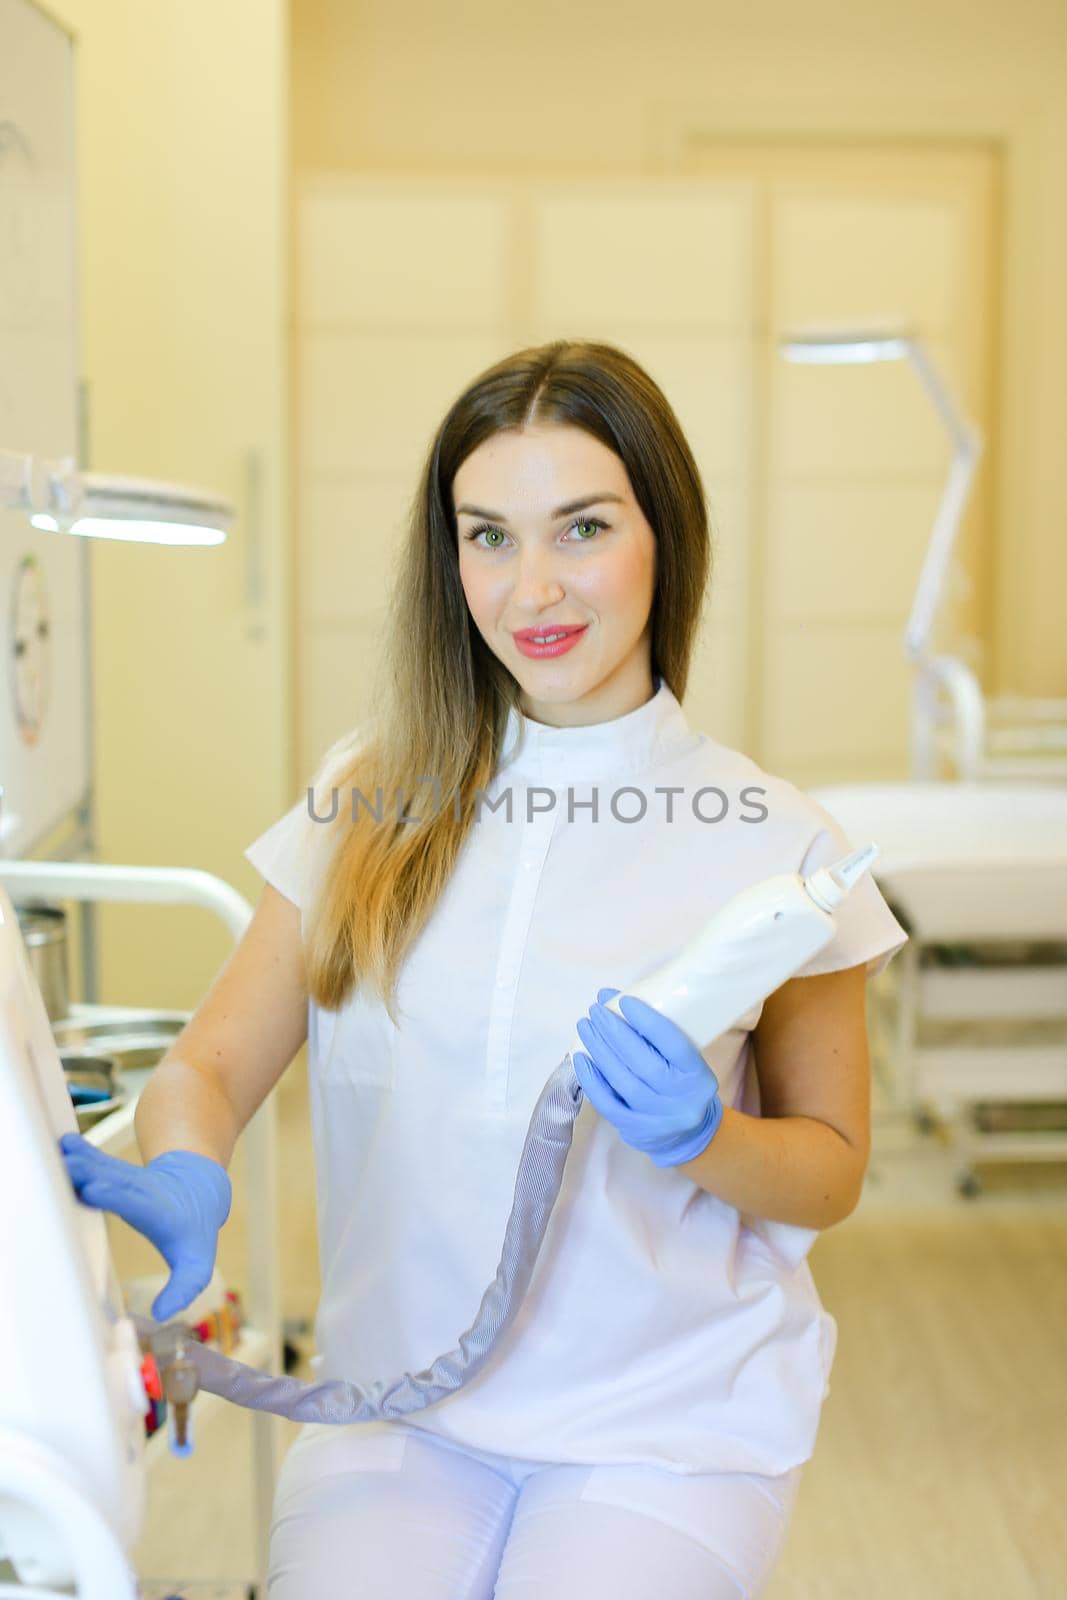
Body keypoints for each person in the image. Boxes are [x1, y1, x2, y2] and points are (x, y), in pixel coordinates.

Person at [61, 340, 907, 1599]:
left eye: (580, 528)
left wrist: (702, 1138)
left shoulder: (772, 842)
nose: (531, 589)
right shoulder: (369, 794)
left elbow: (828, 1168)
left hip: (662, 1425)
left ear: (661, 534)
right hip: (398, 1404)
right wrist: (185, 1161)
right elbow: (211, 1061)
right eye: (487, 536)